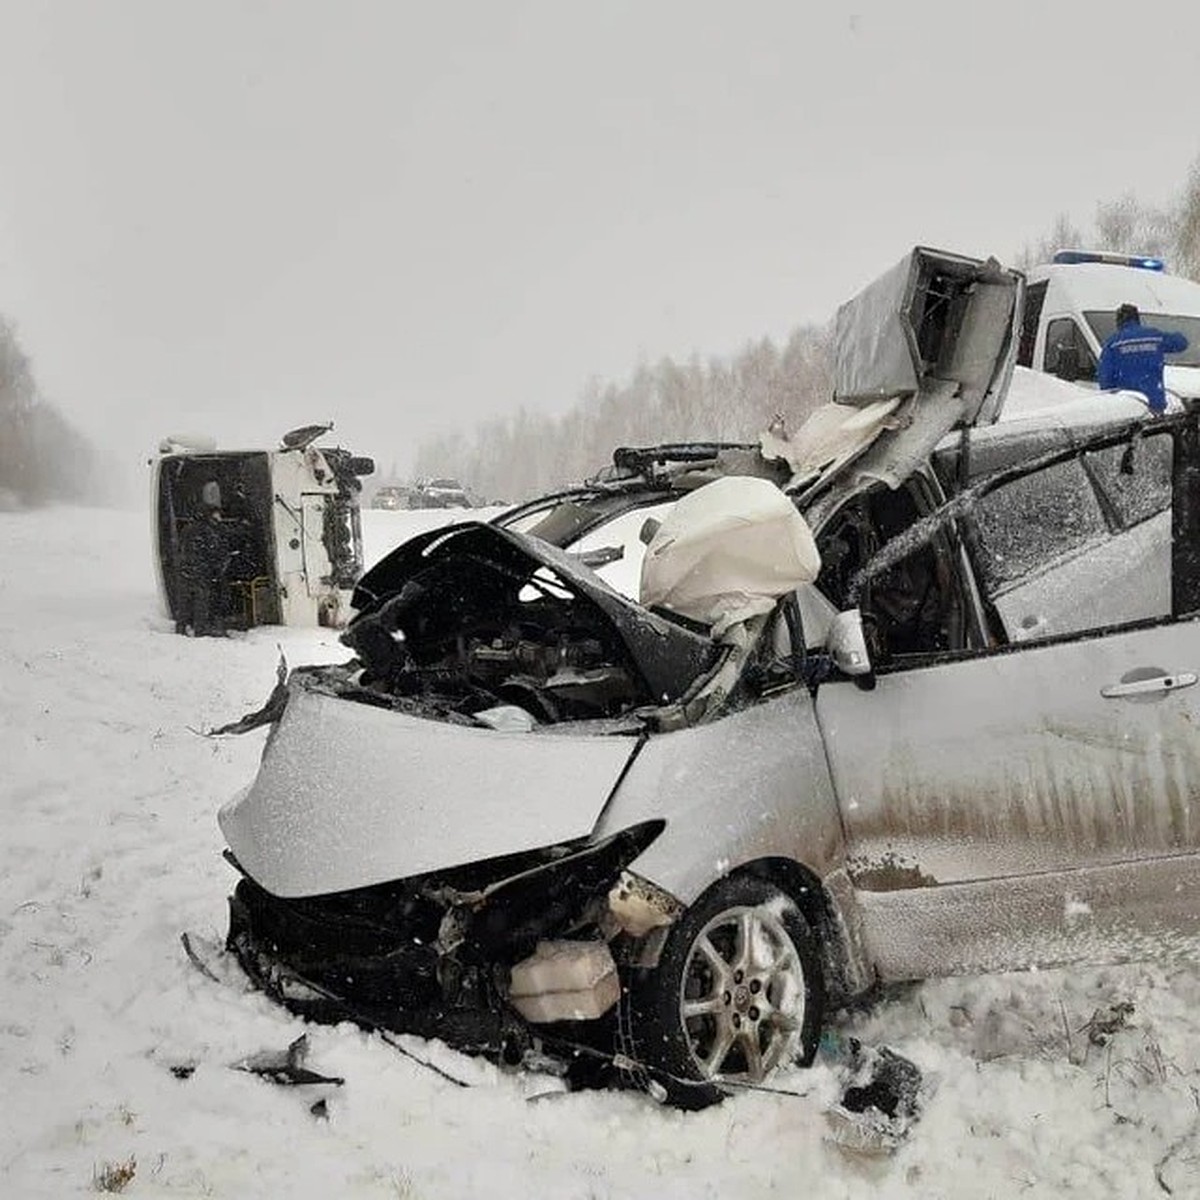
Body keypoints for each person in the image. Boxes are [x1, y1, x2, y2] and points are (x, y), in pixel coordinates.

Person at [1097, 303, 1189, 415]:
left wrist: (1110, 397)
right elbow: (1181, 343)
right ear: (1137, 318)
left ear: (1119, 321)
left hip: (1127, 403)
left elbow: (1105, 377)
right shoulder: (1153, 336)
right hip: (1154, 401)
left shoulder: (1113, 343)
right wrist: (1177, 332)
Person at [176, 480, 232, 636]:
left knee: (185, 603)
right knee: (202, 601)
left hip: (185, 570)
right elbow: (214, 551)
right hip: (200, 572)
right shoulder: (208, 530)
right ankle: (200, 629)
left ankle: (181, 629)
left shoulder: (189, 528)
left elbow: (181, 548)